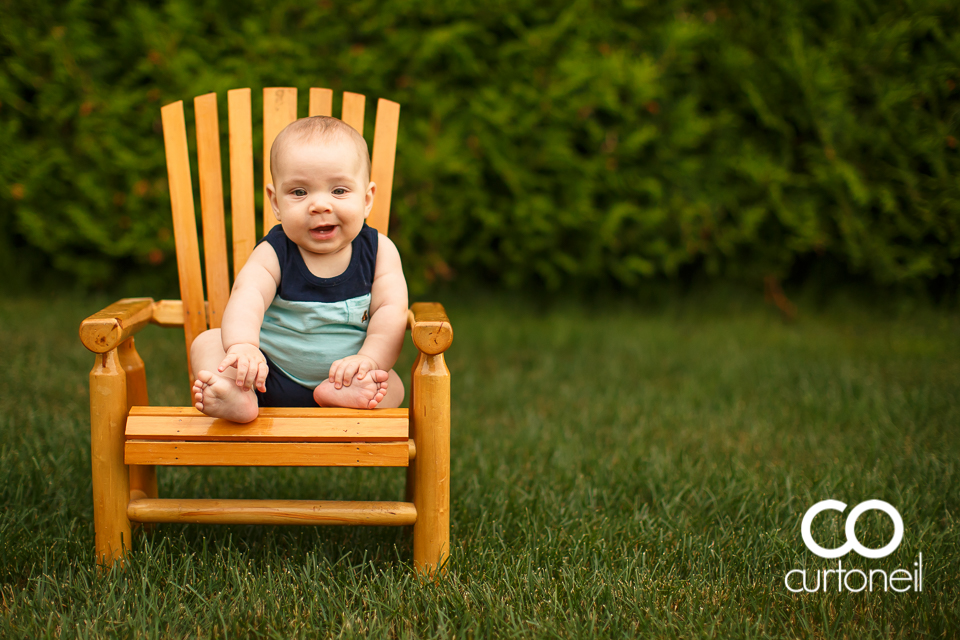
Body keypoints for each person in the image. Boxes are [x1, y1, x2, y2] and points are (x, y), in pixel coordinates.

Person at [189, 116, 407, 423]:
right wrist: (244, 346)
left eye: (340, 191)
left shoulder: (380, 251)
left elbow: (391, 312)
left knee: (392, 386)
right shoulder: (274, 253)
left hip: (348, 378)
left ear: (367, 198)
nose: (319, 205)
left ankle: (345, 397)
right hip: (266, 377)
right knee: (208, 341)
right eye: (299, 193)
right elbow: (247, 296)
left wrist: (368, 361)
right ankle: (236, 395)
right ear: (276, 202)